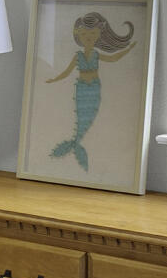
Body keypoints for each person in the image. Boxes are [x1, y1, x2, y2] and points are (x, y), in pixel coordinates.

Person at [44, 9, 136, 171]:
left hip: (93, 89)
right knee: (80, 116)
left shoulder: (96, 54)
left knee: (89, 116)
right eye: (85, 35)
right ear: (79, 36)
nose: (88, 38)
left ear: (98, 36)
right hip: (81, 89)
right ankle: (75, 143)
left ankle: (76, 143)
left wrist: (128, 50)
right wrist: (54, 79)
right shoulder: (78, 56)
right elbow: (67, 71)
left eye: (92, 35)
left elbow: (113, 58)